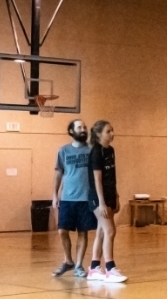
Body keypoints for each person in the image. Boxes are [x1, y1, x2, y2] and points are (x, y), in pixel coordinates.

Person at [52, 119, 95, 278]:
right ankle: (68, 261)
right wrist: (55, 195)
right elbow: (58, 174)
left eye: (84, 127)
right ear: (71, 131)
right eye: (79, 127)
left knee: (82, 232)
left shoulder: (91, 150)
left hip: (85, 198)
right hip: (67, 198)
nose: (83, 129)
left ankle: (78, 265)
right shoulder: (63, 151)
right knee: (62, 230)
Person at [86, 120, 126, 283]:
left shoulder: (111, 150)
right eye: (108, 131)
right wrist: (102, 202)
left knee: (102, 232)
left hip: (109, 195)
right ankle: (110, 268)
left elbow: (112, 177)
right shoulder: (96, 152)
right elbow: (97, 179)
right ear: (98, 134)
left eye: (112, 130)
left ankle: (94, 268)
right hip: (98, 197)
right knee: (110, 231)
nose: (112, 134)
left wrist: (115, 196)